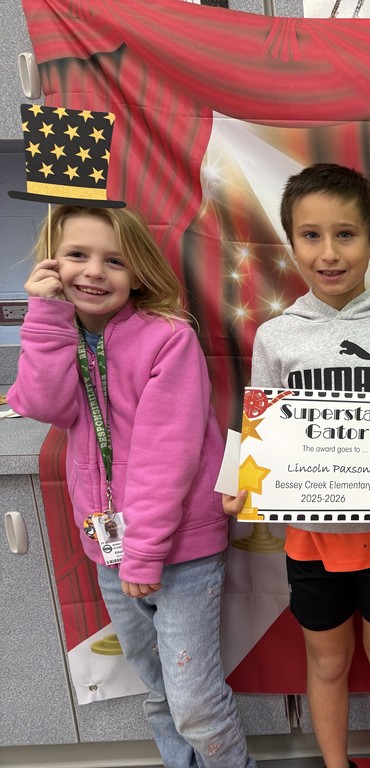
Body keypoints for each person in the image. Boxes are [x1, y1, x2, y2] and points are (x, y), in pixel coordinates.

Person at [8, 205, 256, 768]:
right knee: (160, 693)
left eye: (114, 261)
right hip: (111, 549)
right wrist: (46, 317)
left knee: (195, 704)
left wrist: (143, 554)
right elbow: (41, 403)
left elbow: (166, 457)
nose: (94, 271)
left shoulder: (168, 338)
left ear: (139, 272)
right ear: (52, 263)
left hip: (178, 551)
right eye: (77, 255)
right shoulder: (60, 333)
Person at [224, 163, 370, 768]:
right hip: (310, 540)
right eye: (311, 236)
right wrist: (241, 483)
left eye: (346, 235)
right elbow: (260, 427)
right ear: (291, 244)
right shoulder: (276, 336)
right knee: (327, 660)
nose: (329, 253)